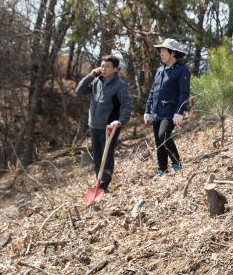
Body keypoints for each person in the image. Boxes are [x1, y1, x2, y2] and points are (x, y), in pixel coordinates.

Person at [76, 55, 134, 192]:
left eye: (107, 66)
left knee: (106, 157)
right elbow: (79, 91)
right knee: (97, 158)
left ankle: (103, 186)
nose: (103, 69)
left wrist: (120, 122)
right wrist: (90, 76)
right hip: (94, 126)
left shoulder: (120, 86)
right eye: (102, 66)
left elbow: (127, 106)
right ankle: (99, 184)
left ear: (115, 69)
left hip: (110, 127)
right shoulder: (96, 81)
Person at [143, 38, 191, 178]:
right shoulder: (159, 71)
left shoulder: (182, 71)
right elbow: (153, 92)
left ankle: (176, 163)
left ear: (173, 53)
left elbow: (184, 93)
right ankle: (162, 169)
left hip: (171, 112)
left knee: (163, 135)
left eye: (164, 51)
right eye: (161, 51)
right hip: (157, 112)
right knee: (158, 141)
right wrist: (147, 111)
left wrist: (179, 112)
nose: (161, 54)